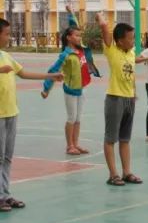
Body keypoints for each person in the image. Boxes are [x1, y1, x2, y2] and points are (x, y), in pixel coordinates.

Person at [0, 18, 63, 211]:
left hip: (11, 112)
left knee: (7, 157)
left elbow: (24, 73)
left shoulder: (5, 55)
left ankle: (5, 194)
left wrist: (51, 76)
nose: (9, 37)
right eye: (7, 34)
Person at [97, 12, 148, 186]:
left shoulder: (131, 52)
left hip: (129, 99)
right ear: (120, 41)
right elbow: (106, 33)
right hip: (115, 98)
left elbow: (131, 63)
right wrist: (102, 20)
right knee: (110, 138)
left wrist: (142, 59)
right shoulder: (112, 50)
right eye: (130, 38)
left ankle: (127, 172)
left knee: (125, 139)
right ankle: (113, 174)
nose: (133, 41)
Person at [41, 11, 100, 155]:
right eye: (76, 35)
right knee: (71, 118)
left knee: (78, 119)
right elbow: (53, 71)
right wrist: (46, 89)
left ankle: (76, 144)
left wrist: (70, 13)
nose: (79, 37)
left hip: (82, 88)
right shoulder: (65, 54)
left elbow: (74, 25)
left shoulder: (81, 49)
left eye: (80, 35)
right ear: (68, 37)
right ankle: (70, 146)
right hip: (71, 90)